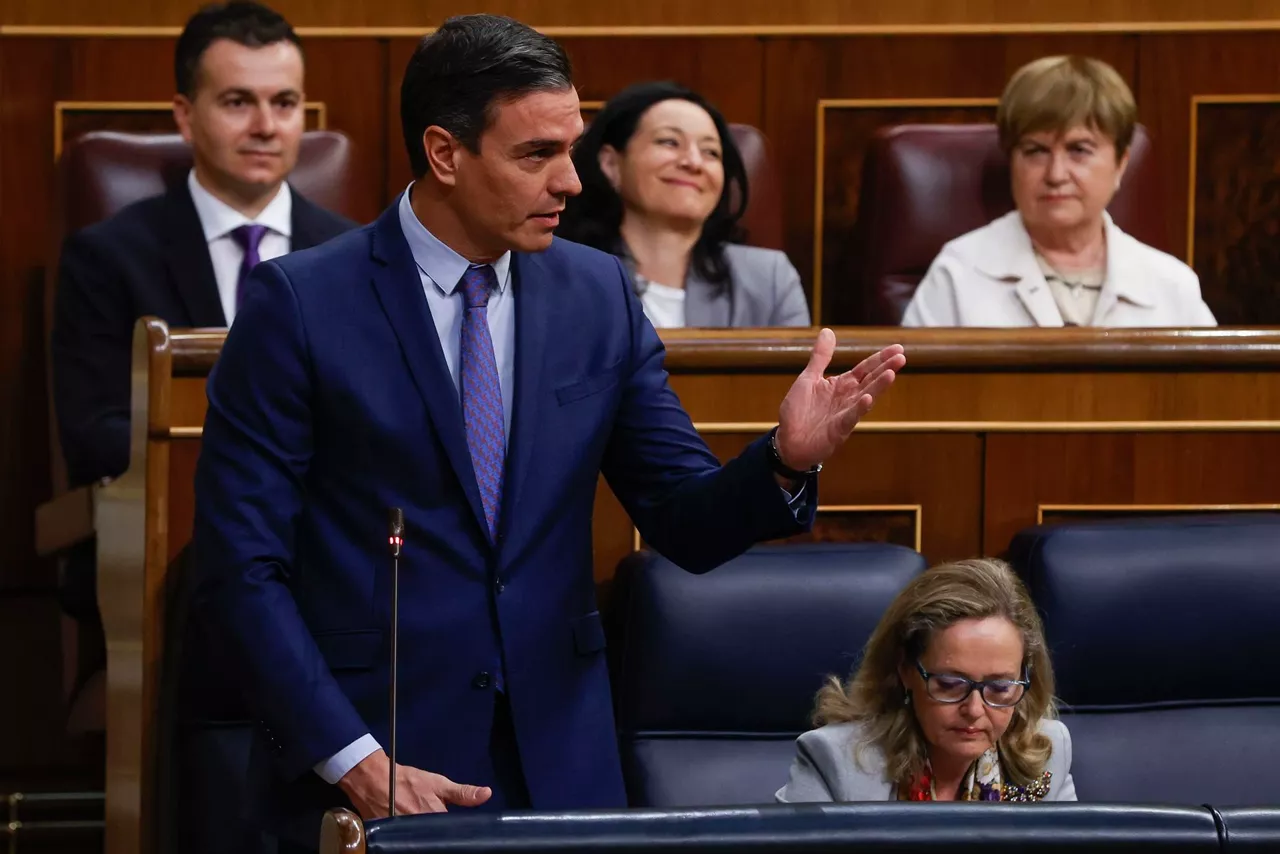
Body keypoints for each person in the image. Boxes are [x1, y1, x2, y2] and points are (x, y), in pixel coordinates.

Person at [190, 13, 904, 850]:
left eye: (572, 147)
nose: (570, 181)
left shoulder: (597, 293)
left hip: (561, 766)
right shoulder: (302, 305)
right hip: (377, 759)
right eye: (538, 155)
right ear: (446, 153)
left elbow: (682, 518)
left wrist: (782, 462)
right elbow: (241, 570)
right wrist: (353, 757)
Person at [51, 0, 356, 501]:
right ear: (186, 117)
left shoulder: (352, 253)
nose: (265, 126)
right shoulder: (107, 257)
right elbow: (93, 436)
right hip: (173, 526)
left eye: (284, 103)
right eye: (238, 102)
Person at [901, 55, 1216, 328]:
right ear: (1012, 160)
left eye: (1079, 150)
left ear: (1121, 163)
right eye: (1036, 151)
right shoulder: (958, 272)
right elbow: (913, 394)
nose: (1055, 174)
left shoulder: (1171, 285)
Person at [776, 558, 1075, 803]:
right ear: (905, 671)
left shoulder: (1048, 750)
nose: (974, 710)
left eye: (999, 688)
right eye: (950, 684)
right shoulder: (836, 763)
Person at [557, 81, 810, 328]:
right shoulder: (562, 273)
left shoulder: (770, 279)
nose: (693, 162)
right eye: (669, 142)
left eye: (710, 152)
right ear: (611, 164)